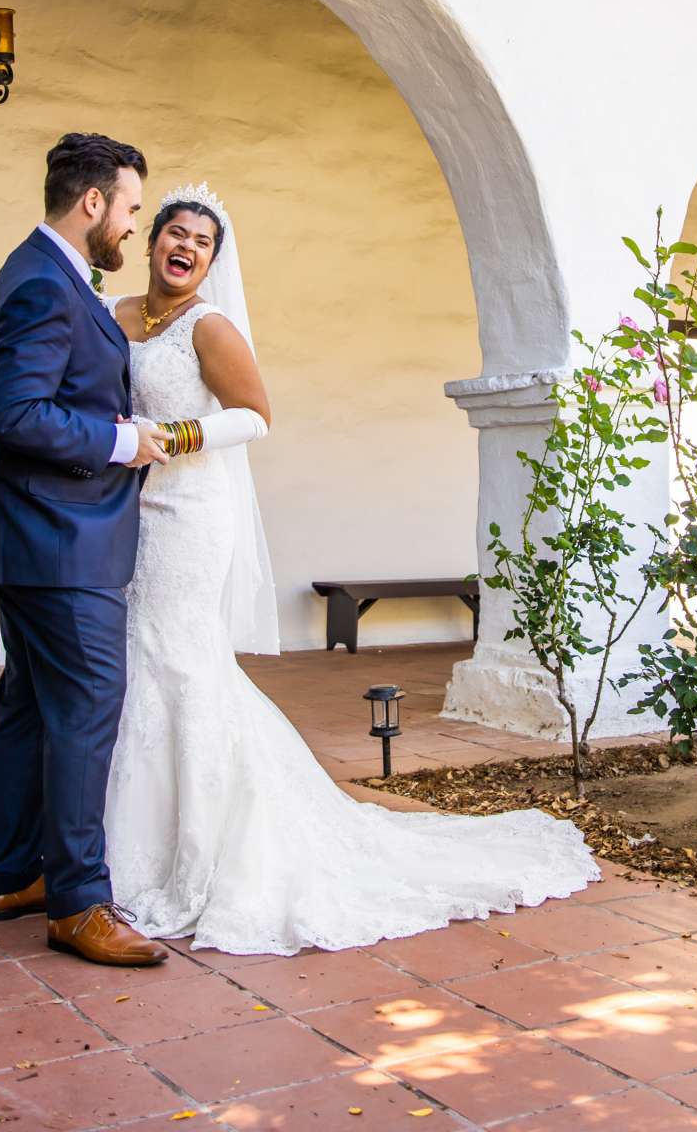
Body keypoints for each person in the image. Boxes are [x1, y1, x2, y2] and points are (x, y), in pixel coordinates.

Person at [97, 181, 596, 954]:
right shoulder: (119, 314)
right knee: (142, 659)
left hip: (189, 515)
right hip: (127, 508)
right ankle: (126, 839)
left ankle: (194, 850)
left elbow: (255, 415)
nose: (185, 247)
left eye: (202, 241)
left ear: (213, 260)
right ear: (153, 237)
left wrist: (171, 437)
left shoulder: (210, 327)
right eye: (175, 233)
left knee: (179, 660)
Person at [0, 132, 174, 968]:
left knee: (28, 706)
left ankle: (10, 875)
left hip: (40, 532)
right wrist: (123, 441)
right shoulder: (43, 286)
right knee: (87, 708)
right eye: (128, 209)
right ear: (93, 203)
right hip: (57, 538)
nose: (130, 226)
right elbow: (19, 415)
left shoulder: (45, 273)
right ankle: (79, 901)